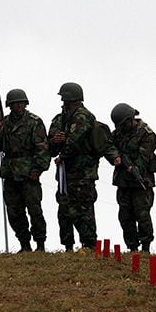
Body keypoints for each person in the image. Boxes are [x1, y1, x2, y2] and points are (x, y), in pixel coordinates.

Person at [48, 82, 119, 253]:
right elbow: (51, 144)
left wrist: (63, 153)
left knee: (83, 209)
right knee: (64, 208)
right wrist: (55, 141)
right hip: (66, 172)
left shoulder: (83, 116)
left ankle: (89, 244)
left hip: (83, 172)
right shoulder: (60, 118)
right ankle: (68, 245)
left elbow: (74, 141)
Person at [0, 88, 50, 252]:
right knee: (14, 211)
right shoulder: (5, 122)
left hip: (28, 172)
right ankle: (24, 244)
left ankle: (40, 243)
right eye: (16, 103)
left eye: (21, 103)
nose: (19, 106)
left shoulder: (34, 121)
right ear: (10, 105)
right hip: (10, 172)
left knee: (34, 209)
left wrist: (38, 169)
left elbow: (42, 148)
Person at [109, 103, 156, 253]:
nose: (122, 128)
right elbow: (109, 146)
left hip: (141, 181)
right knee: (125, 216)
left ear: (131, 119)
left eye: (124, 124)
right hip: (123, 181)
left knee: (142, 214)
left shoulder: (146, 134)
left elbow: (144, 156)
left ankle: (145, 247)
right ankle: (132, 247)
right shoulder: (118, 133)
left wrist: (135, 168)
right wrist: (115, 157)